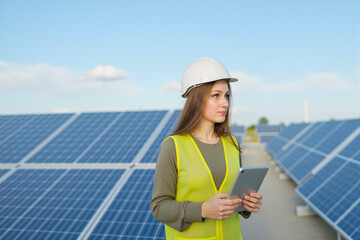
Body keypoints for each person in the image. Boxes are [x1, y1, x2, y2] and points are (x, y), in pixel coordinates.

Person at [150, 57, 263, 240]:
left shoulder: (232, 144)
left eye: (227, 95)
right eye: (216, 95)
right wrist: (202, 209)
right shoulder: (173, 147)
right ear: (196, 99)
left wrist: (248, 205)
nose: (225, 103)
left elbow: (235, 198)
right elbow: (159, 207)